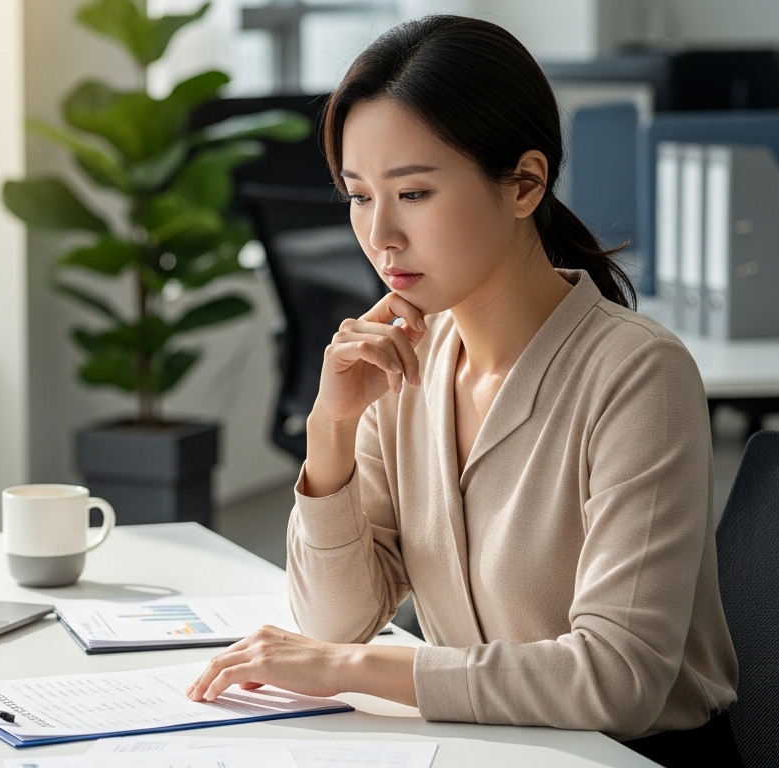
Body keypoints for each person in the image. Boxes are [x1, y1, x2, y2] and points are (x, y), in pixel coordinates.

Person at [186, 15, 740, 767]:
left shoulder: (637, 373)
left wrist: (353, 670)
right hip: (479, 748)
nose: (380, 235)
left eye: (413, 192)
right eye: (358, 196)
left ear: (525, 183)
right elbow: (332, 620)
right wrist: (330, 435)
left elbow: (620, 681)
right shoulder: (403, 367)